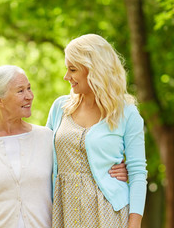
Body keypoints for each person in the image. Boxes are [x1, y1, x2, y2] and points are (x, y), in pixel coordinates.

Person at [0, 65, 128, 228]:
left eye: (29, 88)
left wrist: (113, 169)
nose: (29, 96)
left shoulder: (46, 138)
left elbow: (80, 165)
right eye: (20, 91)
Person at [46, 34, 147, 228]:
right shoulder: (60, 108)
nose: (67, 76)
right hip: (63, 213)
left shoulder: (127, 113)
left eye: (73, 69)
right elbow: (36, 151)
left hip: (109, 215)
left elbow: (138, 175)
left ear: (94, 70)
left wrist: (134, 225)